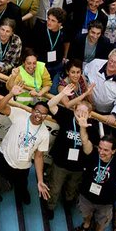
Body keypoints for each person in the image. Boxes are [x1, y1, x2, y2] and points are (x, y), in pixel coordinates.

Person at [44, 85, 103, 218]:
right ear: (74, 109)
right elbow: (50, 105)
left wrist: (83, 128)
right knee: (55, 187)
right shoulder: (66, 116)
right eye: (78, 111)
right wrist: (62, 94)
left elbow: (89, 150)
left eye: (85, 113)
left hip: (79, 166)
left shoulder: (92, 127)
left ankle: (68, 202)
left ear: (90, 114)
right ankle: (50, 206)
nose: (81, 115)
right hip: (60, 163)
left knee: (72, 188)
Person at [73, 135, 116, 231]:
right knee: (85, 214)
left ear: (113, 151)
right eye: (100, 148)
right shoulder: (93, 154)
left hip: (105, 202)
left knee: (102, 222)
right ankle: (86, 225)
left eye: (106, 150)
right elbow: (85, 141)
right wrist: (83, 127)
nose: (101, 152)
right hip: (86, 196)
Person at [84, 49, 116, 121]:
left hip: (106, 114)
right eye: (111, 60)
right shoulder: (95, 63)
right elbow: (83, 75)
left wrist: (114, 115)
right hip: (87, 105)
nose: (112, 64)